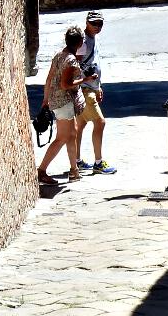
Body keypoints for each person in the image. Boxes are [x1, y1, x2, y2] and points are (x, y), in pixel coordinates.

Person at [37, 25, 86, 186]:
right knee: (62, 138)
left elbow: (49, 79)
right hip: (64, 102)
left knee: (73, 133)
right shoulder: (70, 59)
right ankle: (42, 171)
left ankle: (74, 170)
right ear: (79, 42)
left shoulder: (59, 55)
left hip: (57, 101)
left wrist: (46, 99)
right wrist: (86, 79)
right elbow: (66, 84)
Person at [76, 10, 117, 174]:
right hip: (85, 90)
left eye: (100, 24)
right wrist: (88, 83)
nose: (98, 27)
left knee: (81, 124)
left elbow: (94, 62)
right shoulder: (83, 41)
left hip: (91, 88)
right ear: (87, 23)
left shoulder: (93, 37)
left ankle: (77, 161)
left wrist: (98, 86)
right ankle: (98, 163)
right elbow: (75, 65)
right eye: (94, 24)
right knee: (100, 123)